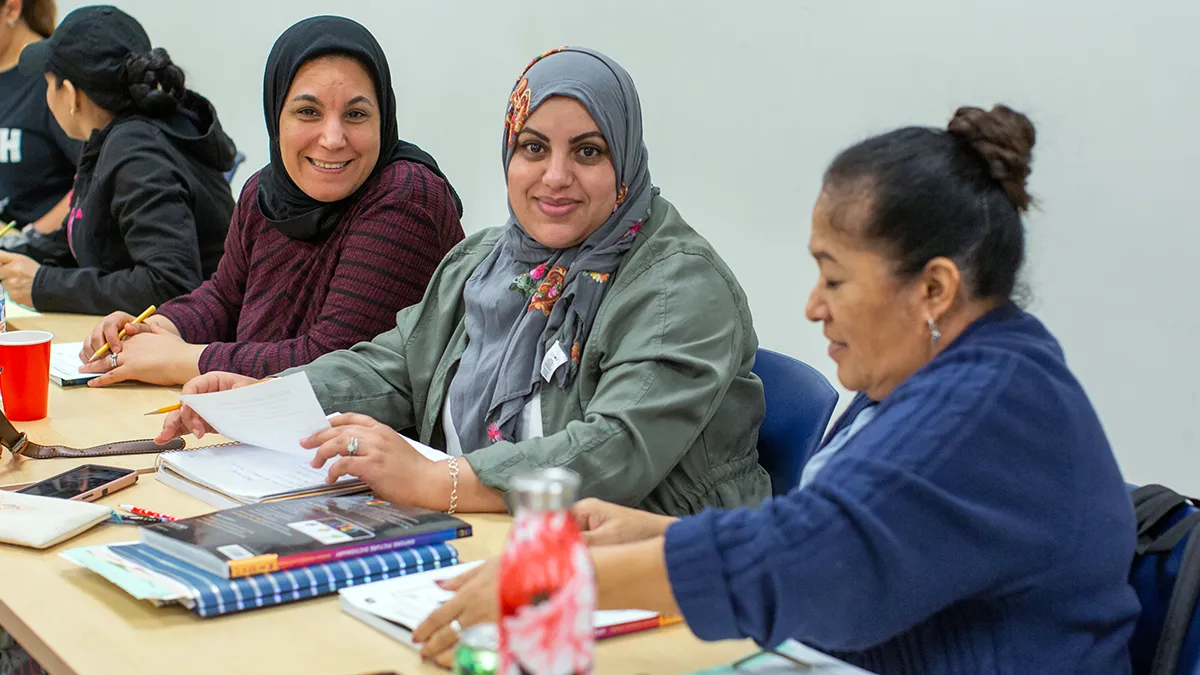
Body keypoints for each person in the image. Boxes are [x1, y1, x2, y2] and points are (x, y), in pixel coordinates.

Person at [413, 105, 1141, 674]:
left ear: (935, 287)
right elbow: (844, 534)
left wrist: (564, 576)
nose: (813, 306)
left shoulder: (986, 411)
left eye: (835, 276)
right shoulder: (946, 371)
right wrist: (663, 533)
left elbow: (814, 560)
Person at [157, 47, 771, 517]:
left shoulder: (680, 289)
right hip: (485, 538)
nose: (555, 176)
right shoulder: (488, 259)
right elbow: (392, 365)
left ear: (627, 162)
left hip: (643, 571)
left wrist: (442, 483)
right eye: (533, 148)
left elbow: (616, 450)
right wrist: (267, 403)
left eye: (587, 152)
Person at [76, 16, 464, 387]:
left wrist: (182, 359)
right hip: (267, 432)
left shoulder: (406, 195)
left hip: (367, 446)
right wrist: (161, 327)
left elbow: (333, 361)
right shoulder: (266, 191)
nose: (332, 138)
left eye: (356, 114)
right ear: (275, 116)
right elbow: (225, 297)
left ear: (384, 118)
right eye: (308, 112)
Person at [0, 5, 236, 314]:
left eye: (48, 83)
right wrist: (15, 253)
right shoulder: (113, 136)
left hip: (202, 341)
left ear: (71, 95)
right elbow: (85, 229)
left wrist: (45, 284)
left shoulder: (138, 153)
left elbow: (171, 283)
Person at [0, 0, 78, 242]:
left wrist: (28, 240)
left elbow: (98, 177)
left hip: (44, 264)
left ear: (12, 9)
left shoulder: (55, 78)